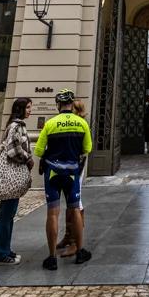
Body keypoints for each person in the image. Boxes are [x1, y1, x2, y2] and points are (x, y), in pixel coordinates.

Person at [34, 88, 93, 270]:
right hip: (72, 173)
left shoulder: (51, 124)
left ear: (58, 104)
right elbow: (87, 149)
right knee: (74, 210)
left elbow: (37, 150)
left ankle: (52, 257)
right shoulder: (81, 124)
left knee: (53, 213)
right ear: (71, 103)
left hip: (52, 173)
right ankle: (80, 251)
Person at [0, 96, 33, 265]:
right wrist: (28, 158)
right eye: (28, 107)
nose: (30, 110)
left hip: (12, 176)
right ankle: (0, 253)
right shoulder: (16, 126)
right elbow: (13, 150)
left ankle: (5, 250)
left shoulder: (14, 125)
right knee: (6, 215)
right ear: (20, 108)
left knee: (8, 215)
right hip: (11, 175)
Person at [56, 98, 88, 257]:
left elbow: (86, 148)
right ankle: (69, 236)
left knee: (76, 203)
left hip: (75, 169)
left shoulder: (79, 125)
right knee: (70, 203)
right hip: (68, 168)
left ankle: (76, 241)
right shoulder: (75, 123)